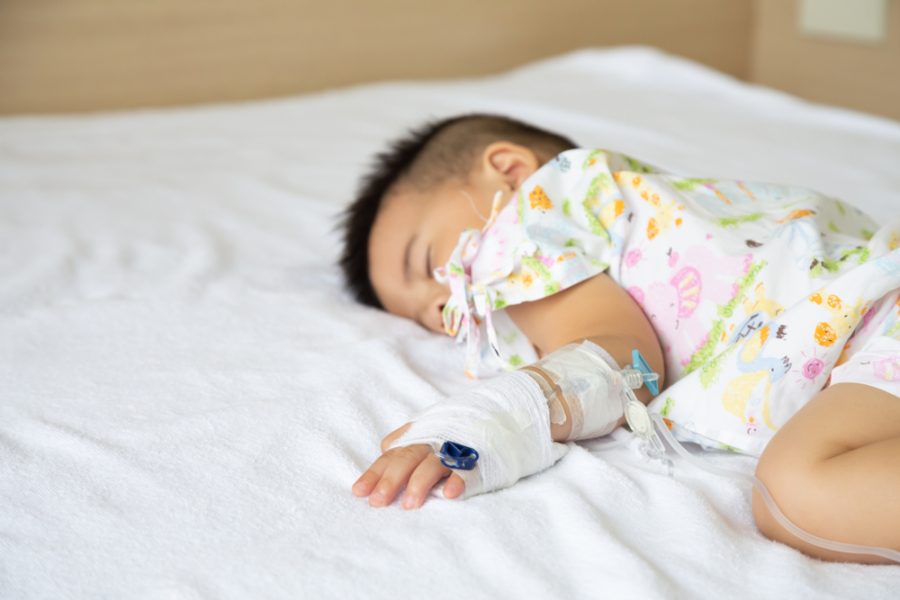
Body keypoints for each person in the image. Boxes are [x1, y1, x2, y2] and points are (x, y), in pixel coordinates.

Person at [338, 114, 900, 563]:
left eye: (429, 263)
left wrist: (484, 424)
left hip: (878, 324)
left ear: (508, 171)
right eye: (425, 314)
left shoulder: (526, 224)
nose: (444, 305)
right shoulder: (635, 208)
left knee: (796, 493)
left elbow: (625, 364)